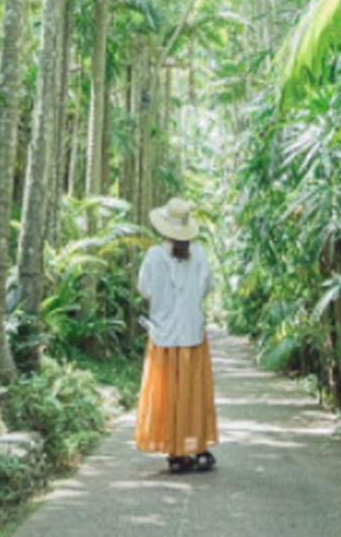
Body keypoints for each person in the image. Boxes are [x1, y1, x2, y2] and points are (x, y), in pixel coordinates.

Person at [133, 196, 218, 474]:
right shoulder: (200, 256)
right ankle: (196, 448)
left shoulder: (154, 256)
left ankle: (176, 453)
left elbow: (144, 290)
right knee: (193, 396)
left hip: (163, 336)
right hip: (192, 334)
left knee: (167, 396)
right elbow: (207, 288)